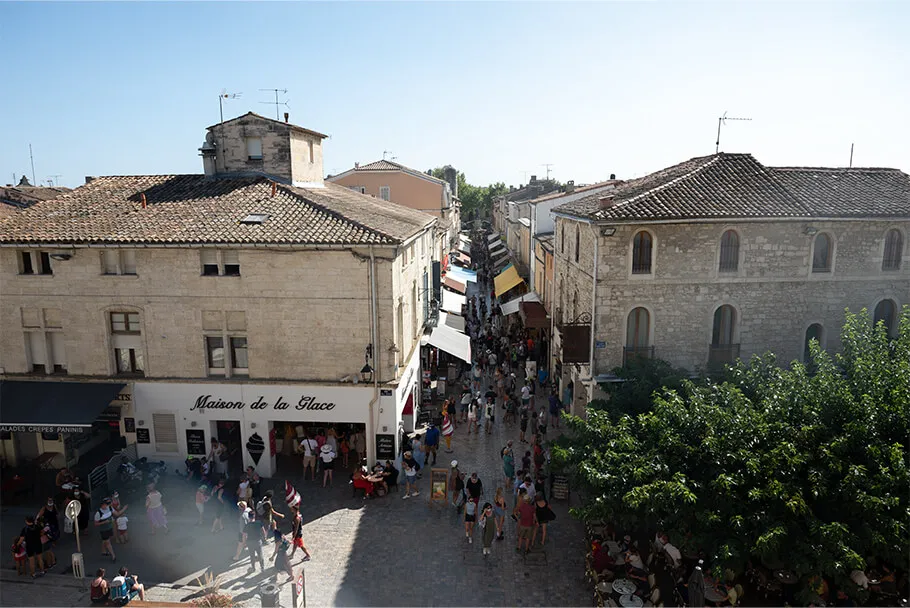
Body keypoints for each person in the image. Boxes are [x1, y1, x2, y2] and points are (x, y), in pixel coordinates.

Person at [94, 497, 117, 563]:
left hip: (109, 528)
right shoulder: (98, 513)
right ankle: (113, 556)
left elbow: (114, 514)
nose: (108, 505)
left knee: (105, 540)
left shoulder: (109, 508)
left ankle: (103, 551)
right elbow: (96, 523)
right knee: (108, 542)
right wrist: (104, 522)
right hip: (103, 530)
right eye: (106, 504)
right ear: (103, 504)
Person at [243, 509, 265, 573]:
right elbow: (263, 531)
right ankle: (262, 568)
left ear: (248, 517)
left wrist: (244, 543)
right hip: (258, 541)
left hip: (250, 542)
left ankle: (253, 568)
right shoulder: (259, 523)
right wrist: (264, 537)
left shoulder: (247, 526)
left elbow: (244, 535)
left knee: (252, 556)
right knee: (260, 555)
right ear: (254, 516)